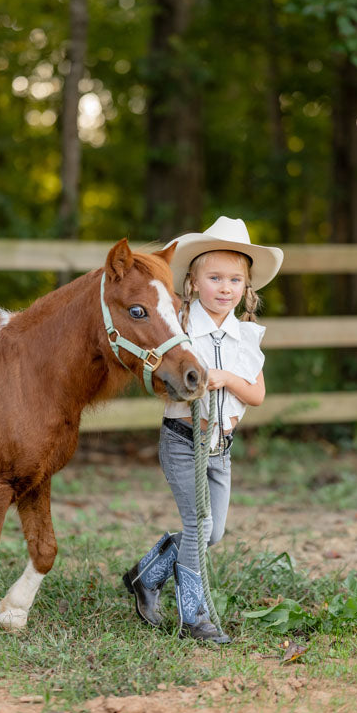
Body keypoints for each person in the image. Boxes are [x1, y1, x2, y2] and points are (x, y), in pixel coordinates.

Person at [123, 216, 283, 643]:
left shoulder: (245, 336)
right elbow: (160, 376)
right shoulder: (179, 326)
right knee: (198, 525)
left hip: (220, 447)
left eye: (235, 280)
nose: (225, 288)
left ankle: (146, 575)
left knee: (214, 532)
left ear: (246, 287)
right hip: (183, 440)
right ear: (193, 282)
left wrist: (226, 378)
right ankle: (193, 616)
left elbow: (256, 394)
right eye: (215, 278)